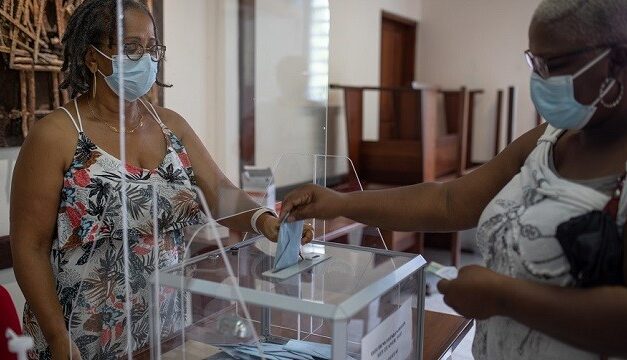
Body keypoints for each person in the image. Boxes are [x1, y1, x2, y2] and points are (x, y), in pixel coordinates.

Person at [280, 0, 627, 358]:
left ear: (616, 61)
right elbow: (448, 202)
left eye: (553, 66)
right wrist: (342, 203)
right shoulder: (549, 138)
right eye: (533, 63)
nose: (539, 80)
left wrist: (503, 298)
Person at [9, 1, 312, 359]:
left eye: (152, 48)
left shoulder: (172, 125)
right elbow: (29, 246)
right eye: (131, 48)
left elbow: (219, 193)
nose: (146, 58)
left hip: (164, 322)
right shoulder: (56, 135)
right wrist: (58, 337)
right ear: (92, 58)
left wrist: (265, 222)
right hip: (79, 331)